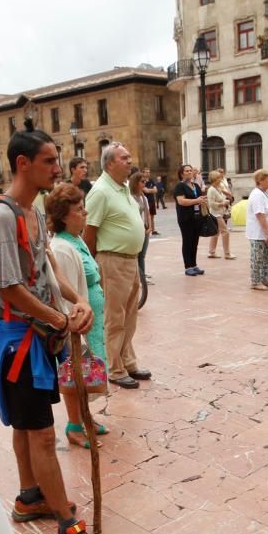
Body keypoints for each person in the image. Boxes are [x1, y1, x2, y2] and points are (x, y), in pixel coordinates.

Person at [0, 119, 106, 534]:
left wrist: (76, 301)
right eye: (49, 161)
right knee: (41, 434)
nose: (58, 168)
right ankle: (69, 530)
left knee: (26, 425)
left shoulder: (31, 214)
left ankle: (31, 496)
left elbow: (45, 267)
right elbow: (8, 288)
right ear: (22, 163)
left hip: (37, 337)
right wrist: (58, 318)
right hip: (17, 344)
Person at [83, 142, 151, 389]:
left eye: (129, 156)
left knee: (130, 316)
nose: (130, 161)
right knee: (114, 317)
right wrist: (92, 267)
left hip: (130, 261)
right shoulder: (100, 191)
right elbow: (89, 232)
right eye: (124, 158)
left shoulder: (122, 188)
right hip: (112, 261)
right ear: (110, 163)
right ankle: (114, 367)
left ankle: (128, 361)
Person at [46, 184, 109, 449]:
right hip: (76, 324)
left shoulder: (77, 239)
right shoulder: (61, 247)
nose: (85, 213)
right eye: (79, 210)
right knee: (75, 372)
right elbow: (64, 292)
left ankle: (86, 416)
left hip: (89, 320)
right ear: (63, 215)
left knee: (86, 369)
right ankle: (74, 424)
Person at [245, 169, 268, 290]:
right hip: (259, 233)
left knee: (266, 256)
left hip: (266, 232)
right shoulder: (257, 194)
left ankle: (264, 278)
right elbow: (260, 215)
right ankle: (255, 281)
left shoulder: (264, 193)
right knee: (257, 257)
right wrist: (267, 233)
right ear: (260, 180)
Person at [129, 168, 153, 281]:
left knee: (142, 255)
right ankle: (137, 276)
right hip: (135, 229)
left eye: (145, 181)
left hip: (144, 228)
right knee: (136, 254)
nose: (145, 183)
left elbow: (147, 213)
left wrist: (149, 227)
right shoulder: (130, 198)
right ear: (135, 183)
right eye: (142, 181)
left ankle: (142, 276)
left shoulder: (143, 197)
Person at [206, 170, 234, 259]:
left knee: (216, 233)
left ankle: (211, 252)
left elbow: (229, 195)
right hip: (215, 214)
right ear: (214, 179)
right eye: (219, 177)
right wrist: (222, 203)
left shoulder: (219, 188)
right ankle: (227, 253)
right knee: (225, 232)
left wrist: (225, 193)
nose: (221, 178)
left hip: (220, 213)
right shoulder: (211, 190)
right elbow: (210, 204)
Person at [142, 166, 159, 235]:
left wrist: (150, 190)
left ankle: (153, 230)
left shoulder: (151, 180)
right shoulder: (142, 180)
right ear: (143, 173)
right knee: (147, 216)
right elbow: (145, 190)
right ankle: (147, 229)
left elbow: (156, 190)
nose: (148, 174)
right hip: (145, 200)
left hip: (151, 200)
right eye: (146, 172)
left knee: (152, 216)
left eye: (149, 172)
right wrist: (151, 190)